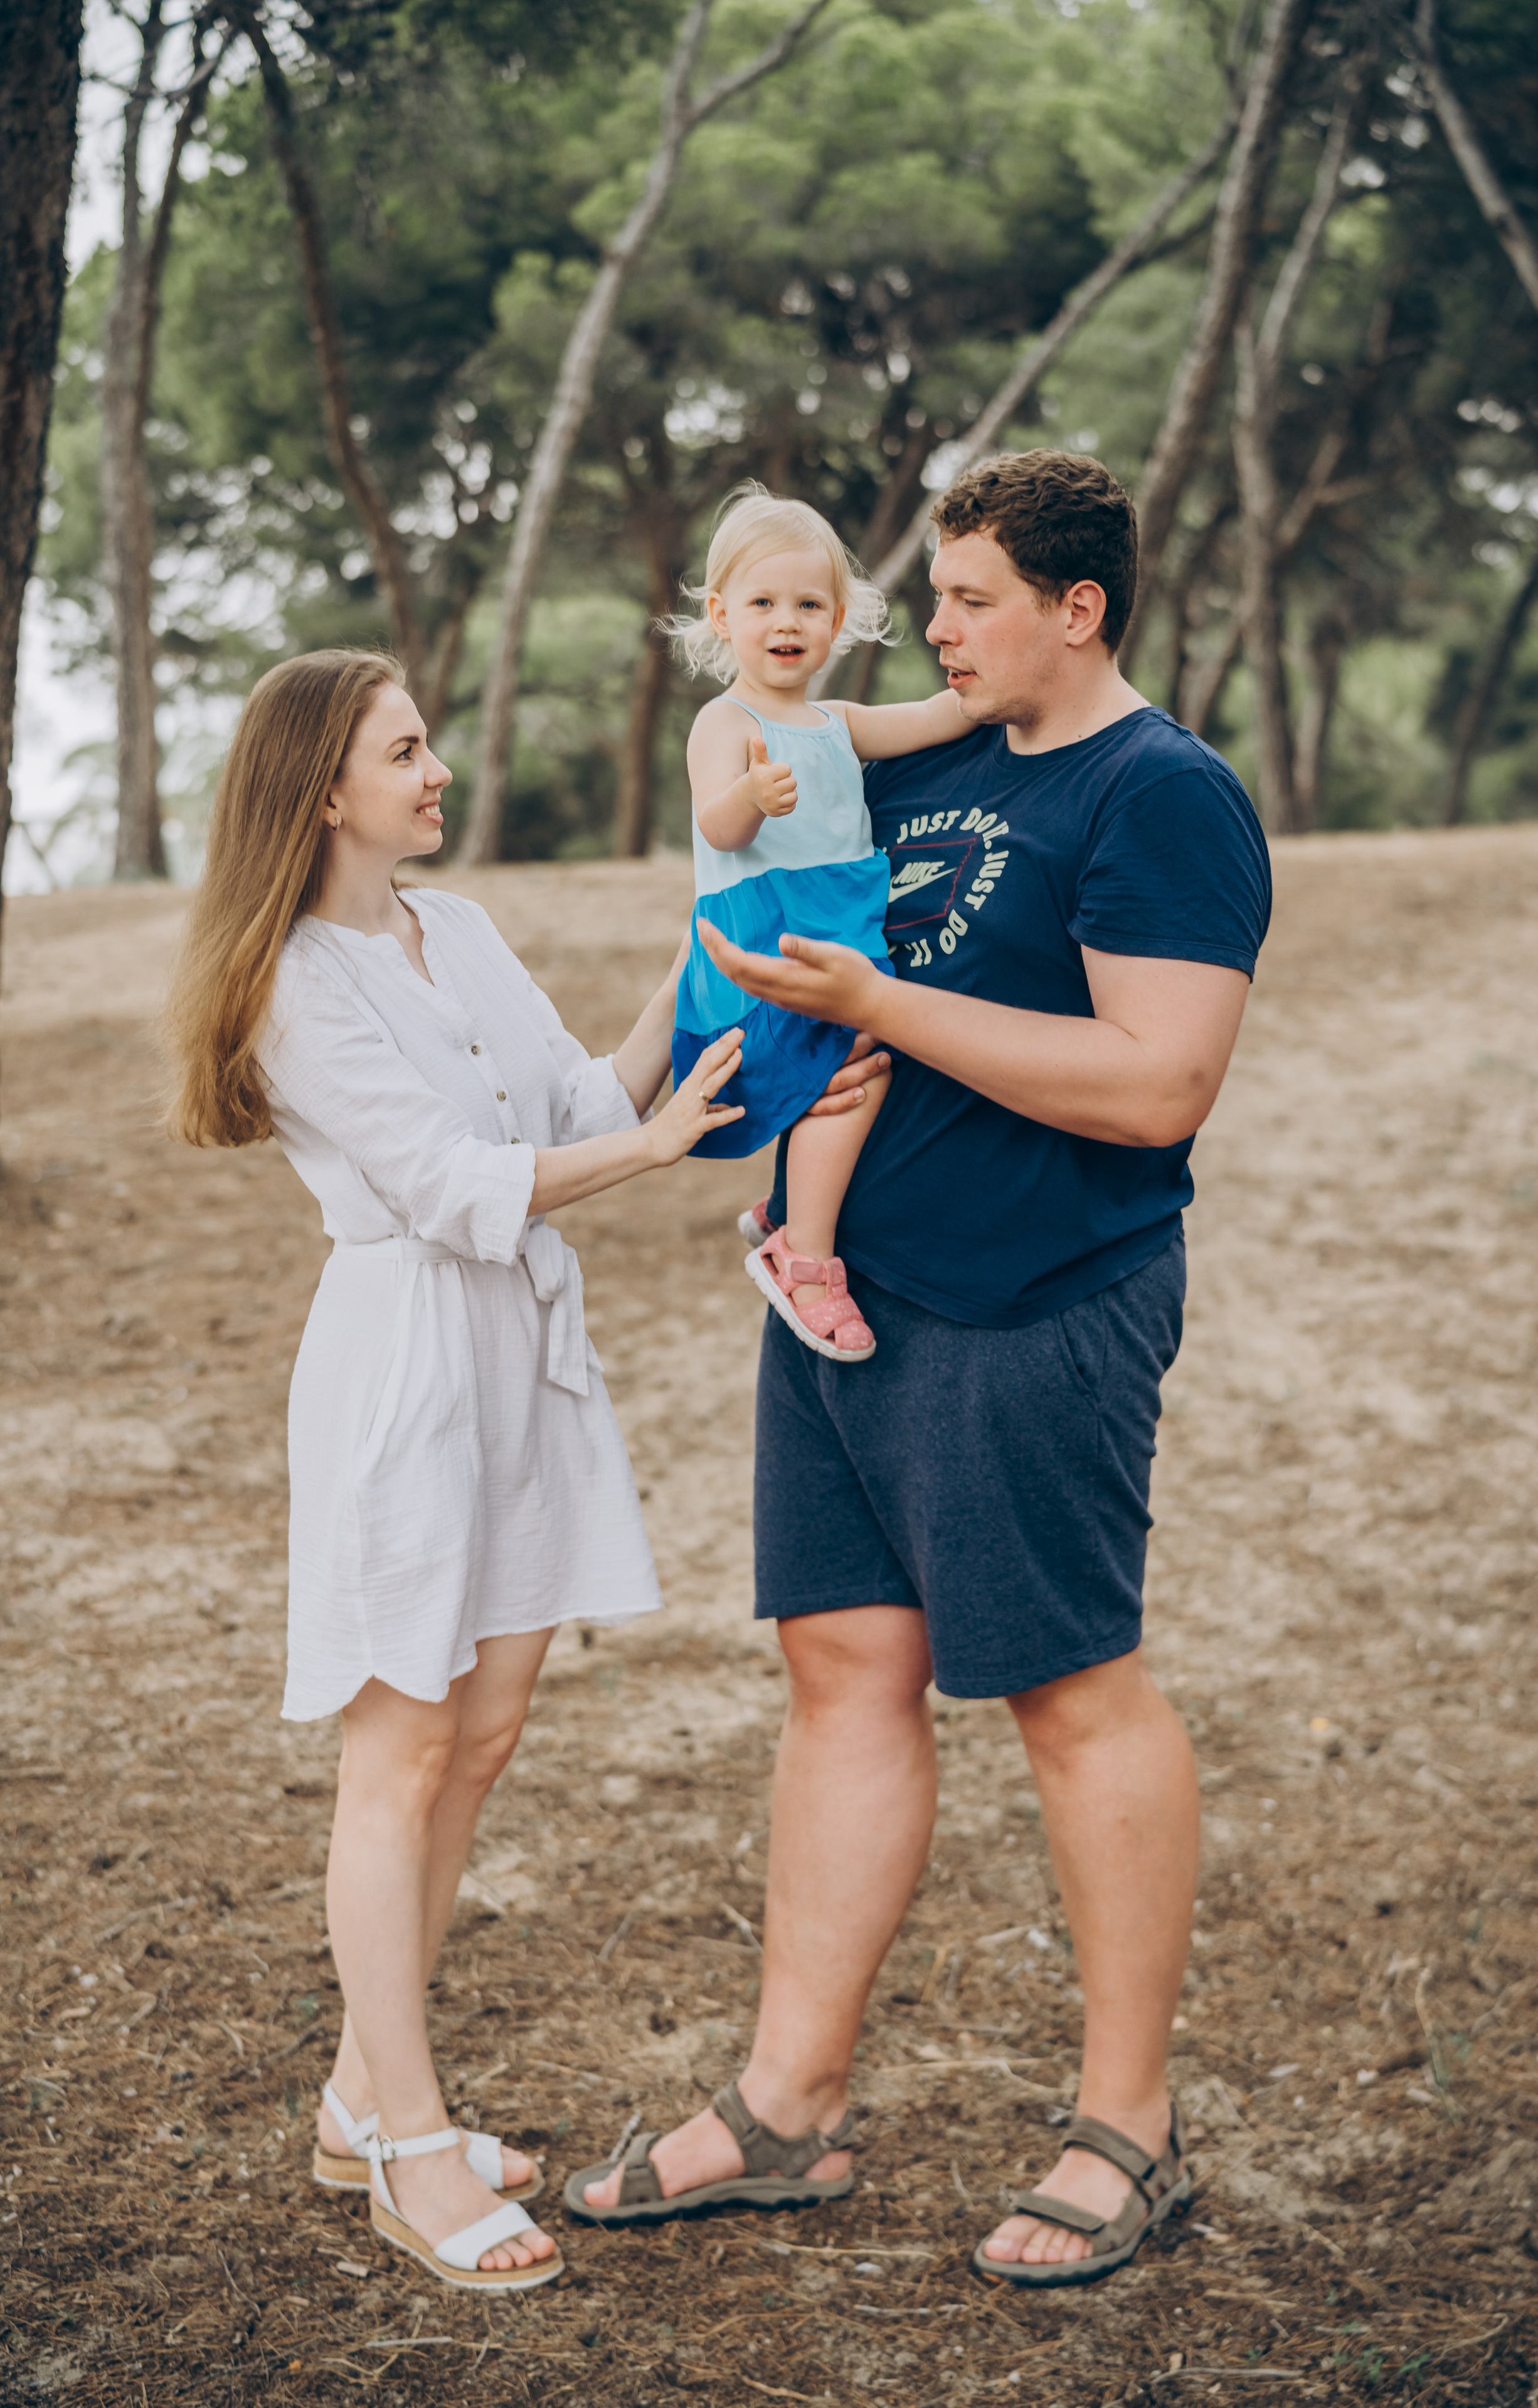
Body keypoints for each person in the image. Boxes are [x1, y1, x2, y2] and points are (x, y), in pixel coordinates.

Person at [566, 451, 1272, 2289]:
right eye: (934, 598)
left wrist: (875, 1008)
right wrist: (593, 1115)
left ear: (1078, 607)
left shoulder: (1161, 796)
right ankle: (789, 2105)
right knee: (841, 1670)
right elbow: (731, 903)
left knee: (1069, 1689)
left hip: (1035, 1303)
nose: (931, 627)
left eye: (965, 600)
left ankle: (1133, 2126)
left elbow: (1158, 1080)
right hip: (838, 1293)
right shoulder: (933, 750)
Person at [163, 650, 745, 2292]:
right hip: (409, 1372)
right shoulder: (290, 981)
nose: (439, 771)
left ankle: (364, 2094)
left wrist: (708, 959)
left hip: (522, 1368)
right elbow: (442, 1185)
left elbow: (574, 1095)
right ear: (323, 790)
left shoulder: (462, 931)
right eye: (409, 750)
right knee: (400, 1754)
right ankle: (409, 2154)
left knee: (484, 1734)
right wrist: (646, 1150)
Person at [667, 483, 968, 1364]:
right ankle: (802, 1254)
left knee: (871, 1062)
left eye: (808, 604)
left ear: (838, 621)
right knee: (860, 1069)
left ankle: (790, 1201)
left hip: (833, 930)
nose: (786, 621)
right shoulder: (726, 720)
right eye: (763, 602)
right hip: (767, 940)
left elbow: (934, 718)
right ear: (723, 616)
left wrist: (988, 695)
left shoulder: (838, 723)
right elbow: (717, 826)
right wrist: (752, 798)